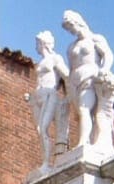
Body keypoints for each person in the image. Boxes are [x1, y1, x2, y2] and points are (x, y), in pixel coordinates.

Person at [61, 10, 114, 153]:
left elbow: (108, 55)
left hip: (90, 77)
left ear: (78, 22)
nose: (71, 30)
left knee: (85, 109)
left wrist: (104, 69)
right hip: (74, 81)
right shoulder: (71, 47)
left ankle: (83, 142)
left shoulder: (95, 39)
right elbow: (70, 67)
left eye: (71, 26)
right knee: (81, 113)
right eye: (68, 28)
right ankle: (88, 139)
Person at [28, 30, 70, 169]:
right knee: (38, 130)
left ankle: (46, 163)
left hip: (49, 94)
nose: (36, 46)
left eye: (37, 43)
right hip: (37, 96)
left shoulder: (55, 58)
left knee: (42, 128)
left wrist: (69, 96)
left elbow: (67, 76)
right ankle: (44, 161)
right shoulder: (41, 63)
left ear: (43, 44)